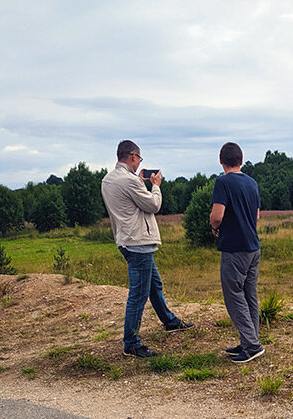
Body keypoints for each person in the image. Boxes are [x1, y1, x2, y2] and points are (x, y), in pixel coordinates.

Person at [100, 139, 192, 358]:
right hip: (138, 242)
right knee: (138, 295)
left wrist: (138, 181)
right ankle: (131, 343)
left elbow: (128, 202)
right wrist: (155, 185)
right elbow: (153, 205)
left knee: (154, 285)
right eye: (139, 158)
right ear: (133, 156)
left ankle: (169, 321)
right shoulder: (130, 181)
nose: (139, 162)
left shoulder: (109, 179)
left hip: (125, 239)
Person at [209, 142, 263, 363]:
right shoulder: (252, 183)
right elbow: (257, 216)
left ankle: (252, 345)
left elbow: (217, 216)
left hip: (234, 247)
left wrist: (214, 228)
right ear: (241, 160)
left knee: (233, 295)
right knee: (250, 295)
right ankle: (249, 339)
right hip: (253, 246)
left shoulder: (223, 182)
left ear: (221, 161)